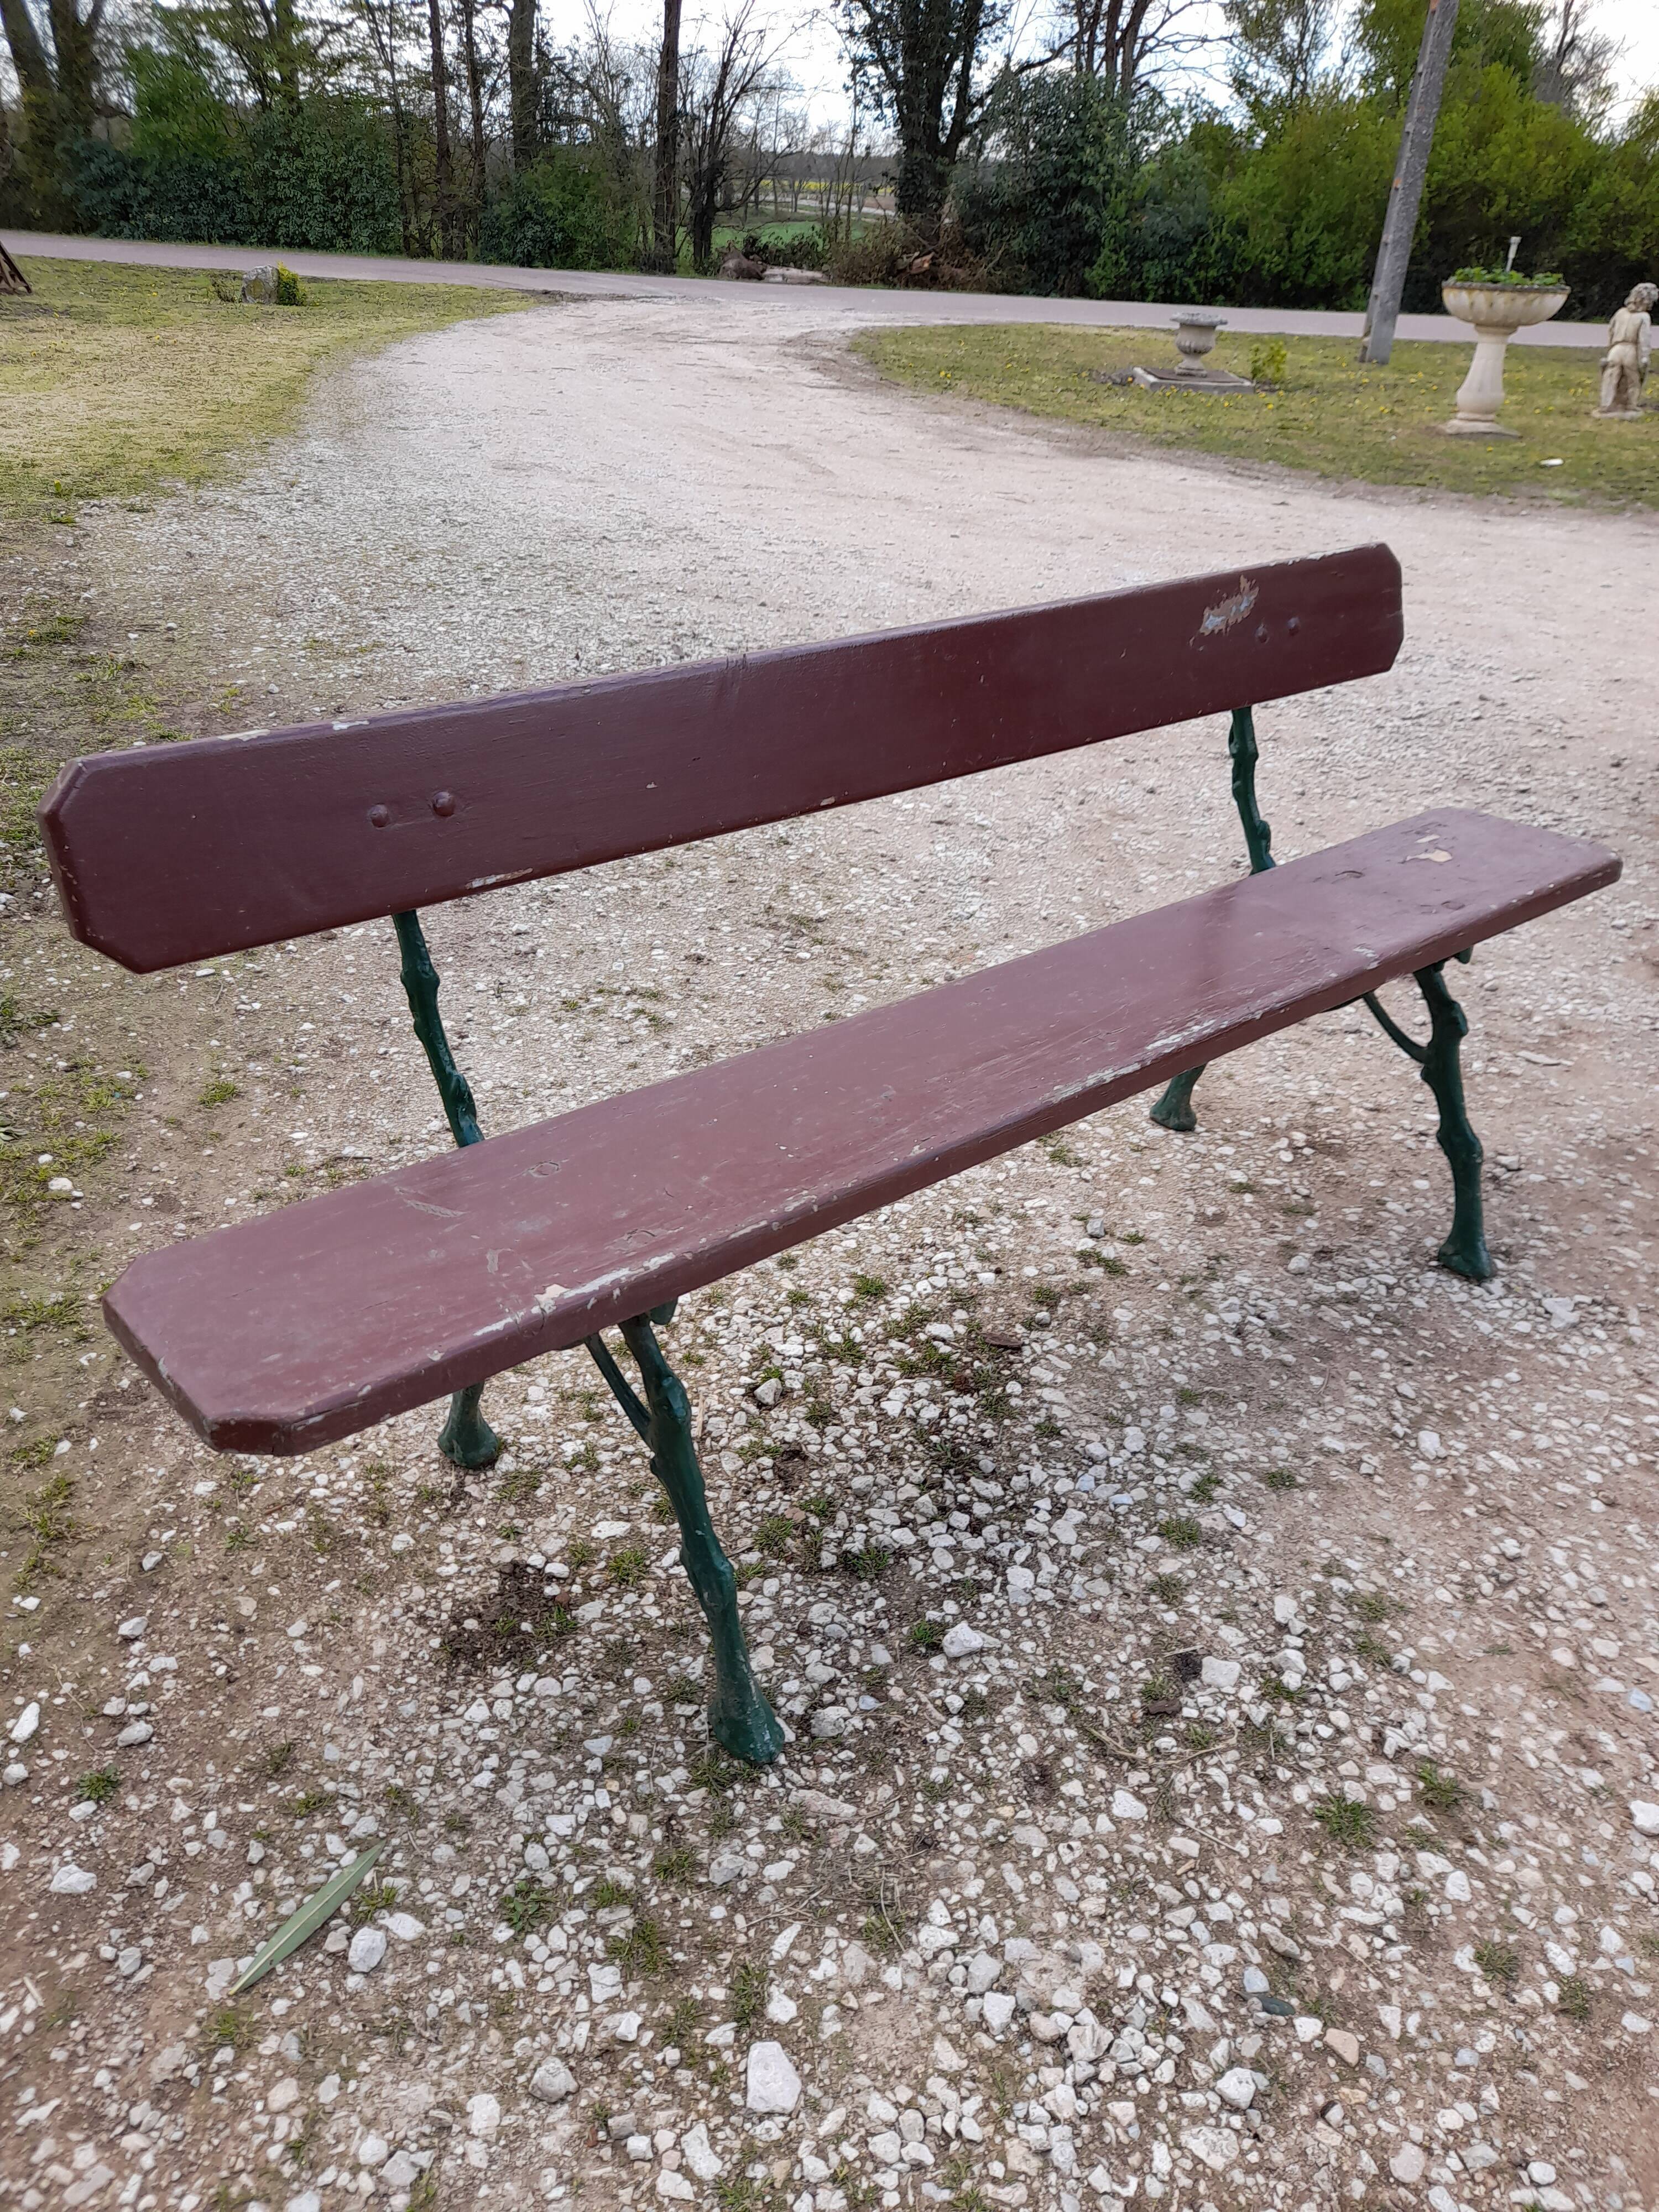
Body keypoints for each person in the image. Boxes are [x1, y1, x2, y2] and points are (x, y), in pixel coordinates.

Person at [1597, 282, 1656, 416]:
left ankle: (1606, 404)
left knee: (1610, 376)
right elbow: (1644, 340)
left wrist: (1611, 347)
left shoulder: (1620, 313)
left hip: (1616, 349)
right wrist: (1644, 357)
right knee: (1633, 380)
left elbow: (1611, 330)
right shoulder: (1643, 317)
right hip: (1631, 350)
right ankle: (1630, 405)